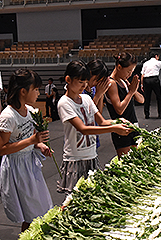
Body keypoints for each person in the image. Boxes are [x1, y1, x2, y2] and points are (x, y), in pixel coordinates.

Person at [56, 60, 133, 195]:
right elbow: (83, 129)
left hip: (91, 156)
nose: (84, 85)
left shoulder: (86, 99)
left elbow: (102, 121)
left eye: (86, 82)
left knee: (92, 197)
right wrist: (114, 128)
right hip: (75, 159)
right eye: (81, 82)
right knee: (75, 200)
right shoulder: (64, 103)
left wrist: (117, 122)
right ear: (68, 79)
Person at [0, 69, 53, 232]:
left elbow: (29, 141)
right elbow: (2, 149)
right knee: (31, 214)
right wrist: (32, 140)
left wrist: (39, 145)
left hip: (29, 165)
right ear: (23, 91)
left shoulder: (30, 111)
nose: (38, 93)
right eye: (35, 89)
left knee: (40, 210)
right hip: (16, 169)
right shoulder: (8, 116)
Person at [104, 52, 144, 157]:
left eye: (132, 71)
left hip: (133, 126)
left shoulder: (124, 81)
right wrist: (130, 92)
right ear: (119, 67)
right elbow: (119, 110)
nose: (130, 74)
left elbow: (141, 100)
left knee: (137, 162)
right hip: (121, 129)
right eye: (128, 71)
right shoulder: (111, 83)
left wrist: (134, 90)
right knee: (127, 165)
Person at [83, 59, 111, 148]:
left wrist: (101, 93)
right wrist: (98, 95)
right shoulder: (80, 90)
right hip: (81, 137)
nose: (97, 83)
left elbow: (98, 112)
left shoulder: (94, 89)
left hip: (93, 132)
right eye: (96, 79)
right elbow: (85, 113)